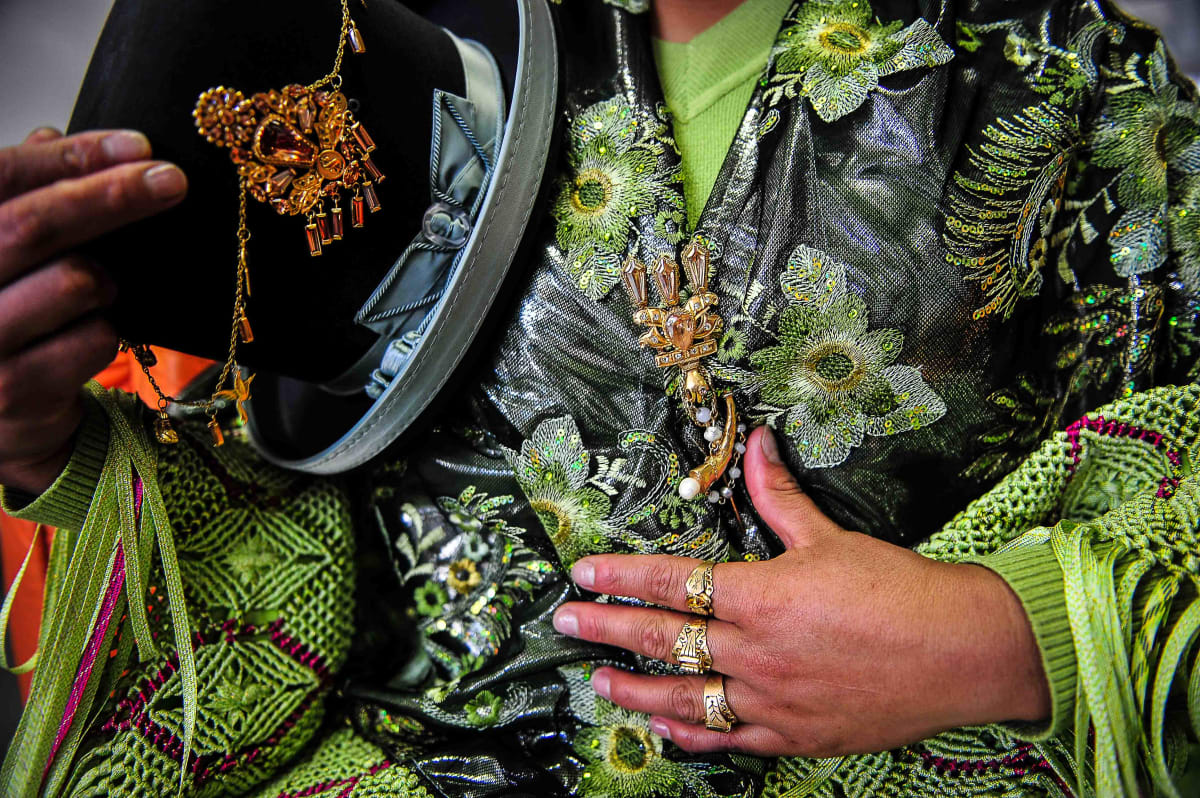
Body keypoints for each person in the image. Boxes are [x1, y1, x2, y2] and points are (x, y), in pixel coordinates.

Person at [1, 0, 1198, 796]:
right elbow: (278, 506)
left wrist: (1007, 636)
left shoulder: (1062, 70)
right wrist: (42, 437)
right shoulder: (387, 45)